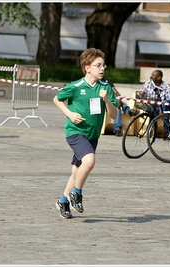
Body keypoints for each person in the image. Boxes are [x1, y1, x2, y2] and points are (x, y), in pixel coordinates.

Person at [53, 48, 118, 219]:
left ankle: (63, 200)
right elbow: (56, 99)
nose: (102, 68)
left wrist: (106, 99)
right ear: (88, 68)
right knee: (89, 161)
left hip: (93, 134)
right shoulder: (76, 86)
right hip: (75, 132)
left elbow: (114, 114)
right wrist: (70, 114)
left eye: (104, 65)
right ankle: (77, 194)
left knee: (77, 171)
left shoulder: (106, 88)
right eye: (98, 65)